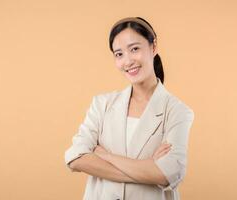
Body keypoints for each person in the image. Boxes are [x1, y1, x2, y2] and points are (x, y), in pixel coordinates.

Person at [64, 17, 194, 200]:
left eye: (134, 49)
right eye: (119, 54)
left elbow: (169, 173)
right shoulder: (102, 104)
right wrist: (147, 167)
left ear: (153, 47)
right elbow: (75, 158)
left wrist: (106, 156)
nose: (127, 61)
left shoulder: (177, 111)